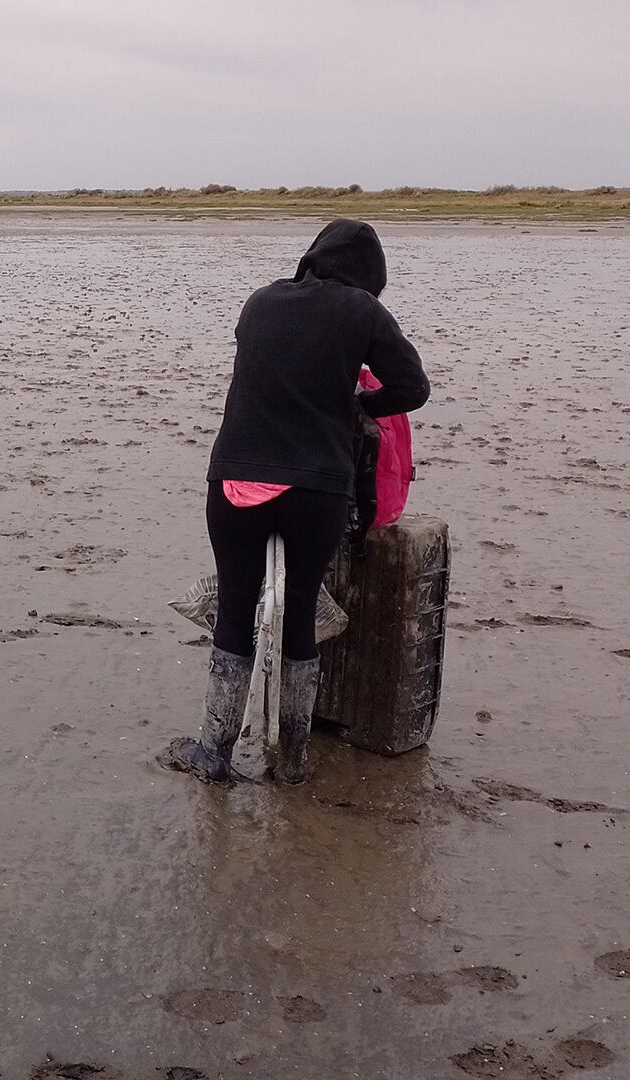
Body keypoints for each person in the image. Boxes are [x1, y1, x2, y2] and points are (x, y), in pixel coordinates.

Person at [168, 219, 430, 785]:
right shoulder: (363, 310)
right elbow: (414, 388)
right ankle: (293, 761)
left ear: (312, 257)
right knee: (302, 615)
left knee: (235, 609)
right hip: (317, 489)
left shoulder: (259, 302)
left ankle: (214, 752)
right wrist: (358, 403)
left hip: (238, 481)